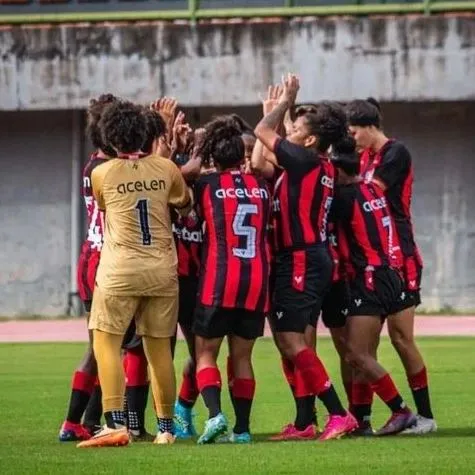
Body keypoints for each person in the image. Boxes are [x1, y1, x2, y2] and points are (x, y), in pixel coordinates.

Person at [77, 100, 192, 448]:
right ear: (146, 133)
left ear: (109, 138)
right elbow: (183, 202)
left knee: (106, 340)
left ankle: (114, 423)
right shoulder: (166, 168)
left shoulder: (102, 172)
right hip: (161, 269)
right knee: (159, 350)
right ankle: (167, 429)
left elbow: (102, 204)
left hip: (120, 270)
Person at [254, 74, 357, 442]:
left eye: (295, 128)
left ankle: (338, 414)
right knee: (294, 342)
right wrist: (280, 112)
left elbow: (263, 131)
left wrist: (284, 103)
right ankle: (303, 422)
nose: (289, 130)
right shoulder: (311, 165)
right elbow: (262, 161)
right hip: (307, 258)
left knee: (292, 341)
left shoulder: (305, 161)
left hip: (300, 258)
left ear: (310, 140)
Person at [346, 98, 436, 435]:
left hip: (402, 259)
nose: (352, 139)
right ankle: (363, 420)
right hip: (373, 263)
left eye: (354, 132)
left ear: (370, 127)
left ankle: (425, 417)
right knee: (363, 349)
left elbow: (373, 192)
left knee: (401, 338)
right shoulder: (364, 156)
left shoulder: (396, 153)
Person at [192, 115, 271, 445]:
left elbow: (190, 212)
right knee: (242, 357)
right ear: (242, 156)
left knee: (205, 353)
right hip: (255, 281)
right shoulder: (262, 190)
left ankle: (214, 415)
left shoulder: (205, 187)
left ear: (213, 158)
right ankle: (242, 429)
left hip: (218, 279)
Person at [331, 136, 417, 435]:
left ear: (339, 172)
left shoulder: (345, 197)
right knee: (362, 355)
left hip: (370, 278)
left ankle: (400, 410)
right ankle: (361, 421)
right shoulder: (370, 188)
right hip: (388, 274)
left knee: (356, 354)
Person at [59, 94, 117, 442]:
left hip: (93, 256)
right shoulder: (107, 169)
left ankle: (88, 421)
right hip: (102, 260)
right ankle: (73, 422)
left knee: (105, 346)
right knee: (100, 347)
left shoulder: (94, 164)